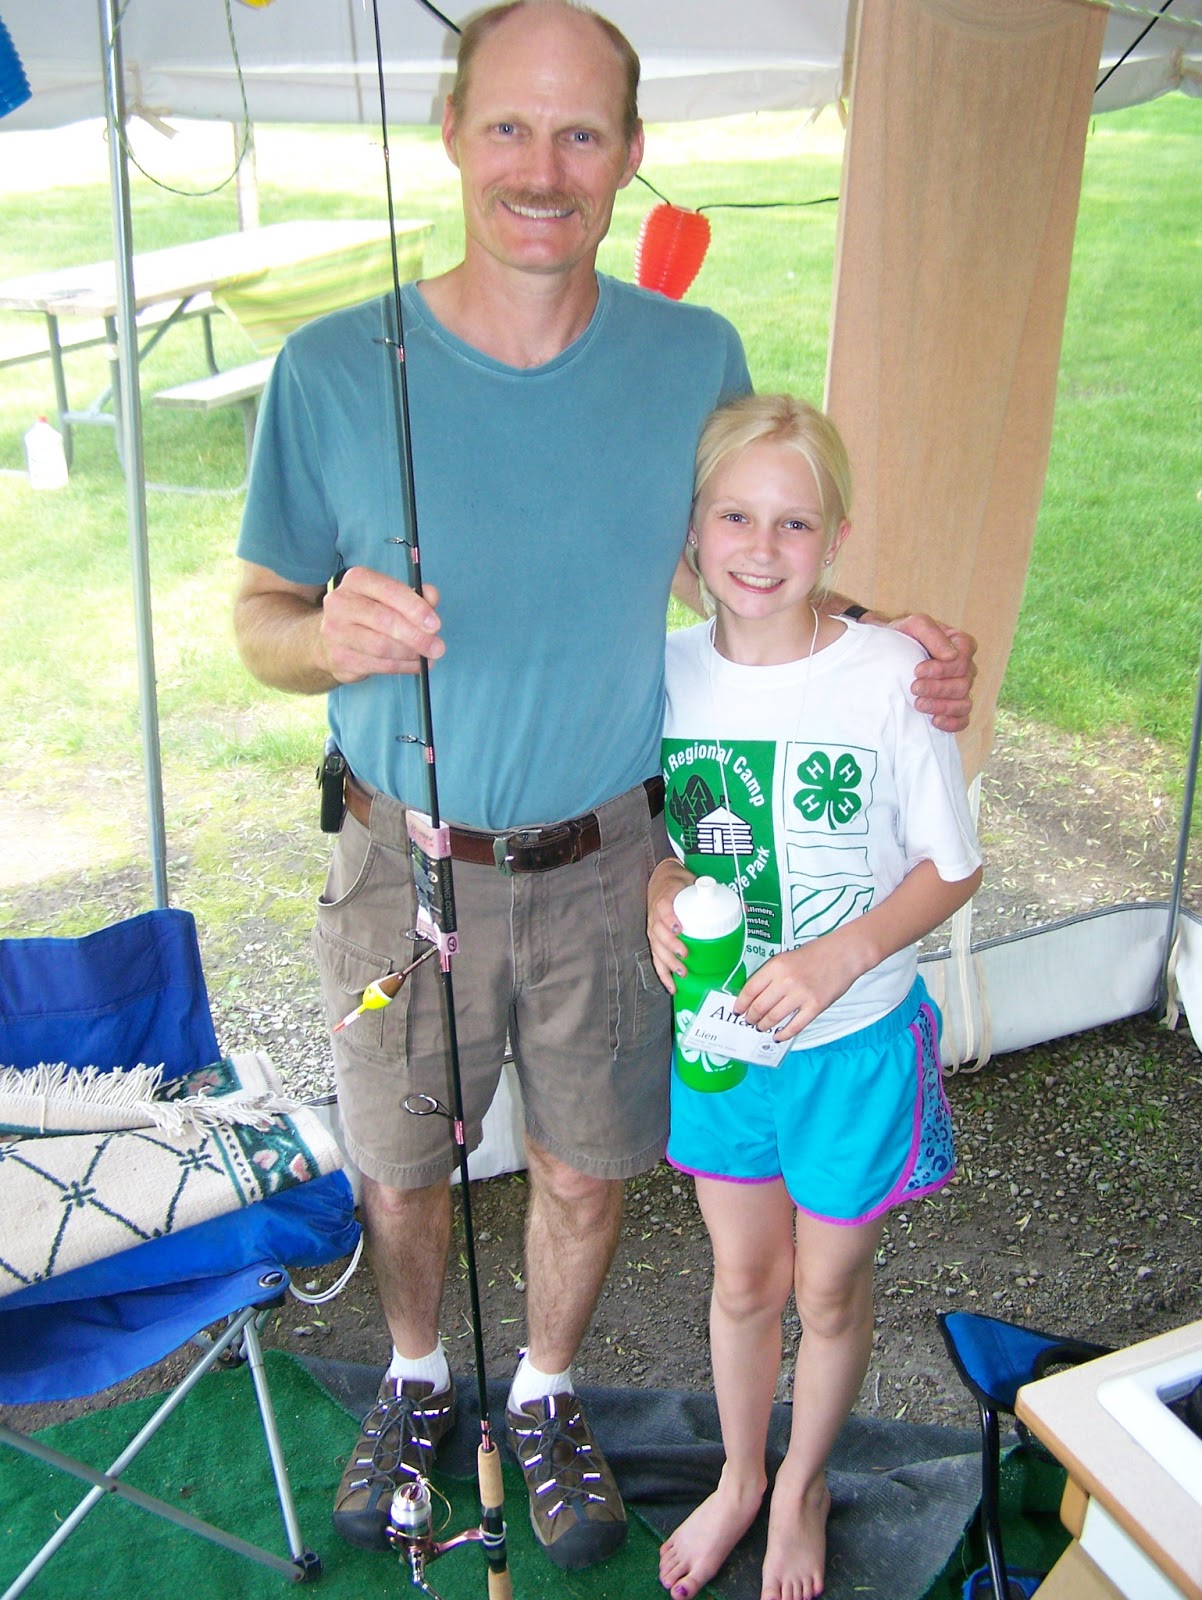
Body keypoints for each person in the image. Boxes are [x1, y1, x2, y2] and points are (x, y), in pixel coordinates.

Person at [232, 0, 977, 1574]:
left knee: (588, 1158)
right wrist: (318, 633)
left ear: (630, 157)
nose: (542, 168)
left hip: (609, 863)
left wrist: (889, 643)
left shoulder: (690, 354)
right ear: (449, 131)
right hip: (398, 865)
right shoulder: (324, 369)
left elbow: (754, 562)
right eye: (509, 124)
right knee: (398, 1158)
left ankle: (551, 1388)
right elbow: (257, 618)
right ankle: (422, 1373)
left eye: (582, 134)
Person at [647, 392, 983, 1600]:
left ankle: (803, 1486)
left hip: (853, 1046)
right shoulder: (662, 675)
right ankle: (742, 1475)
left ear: (835, 539)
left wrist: (842, 955)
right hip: (723, 1044)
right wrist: (653, 886)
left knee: (828, 1283)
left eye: (794, 523)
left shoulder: (892, 674)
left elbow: (951, 865)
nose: (758, 546)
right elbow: (648, 828)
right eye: (733, 514)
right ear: (690, 529)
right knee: (743, 1279)